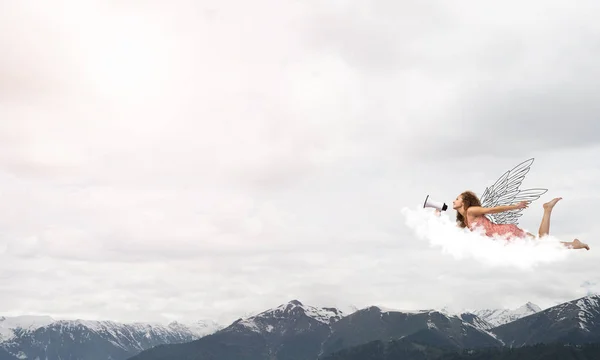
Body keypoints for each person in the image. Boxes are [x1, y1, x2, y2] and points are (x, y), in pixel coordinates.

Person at [449, 190, 589, 250]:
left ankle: (548, 210)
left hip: (507, 234)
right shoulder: (465, 220)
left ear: (465, 202)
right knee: (544, 245)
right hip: (504, 237)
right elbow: (450, 233)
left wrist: (515, 206)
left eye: (457, 199)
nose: (453, 201)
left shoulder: (471, 211)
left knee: (544, 245)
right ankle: (575, 244)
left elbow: (492, 210)